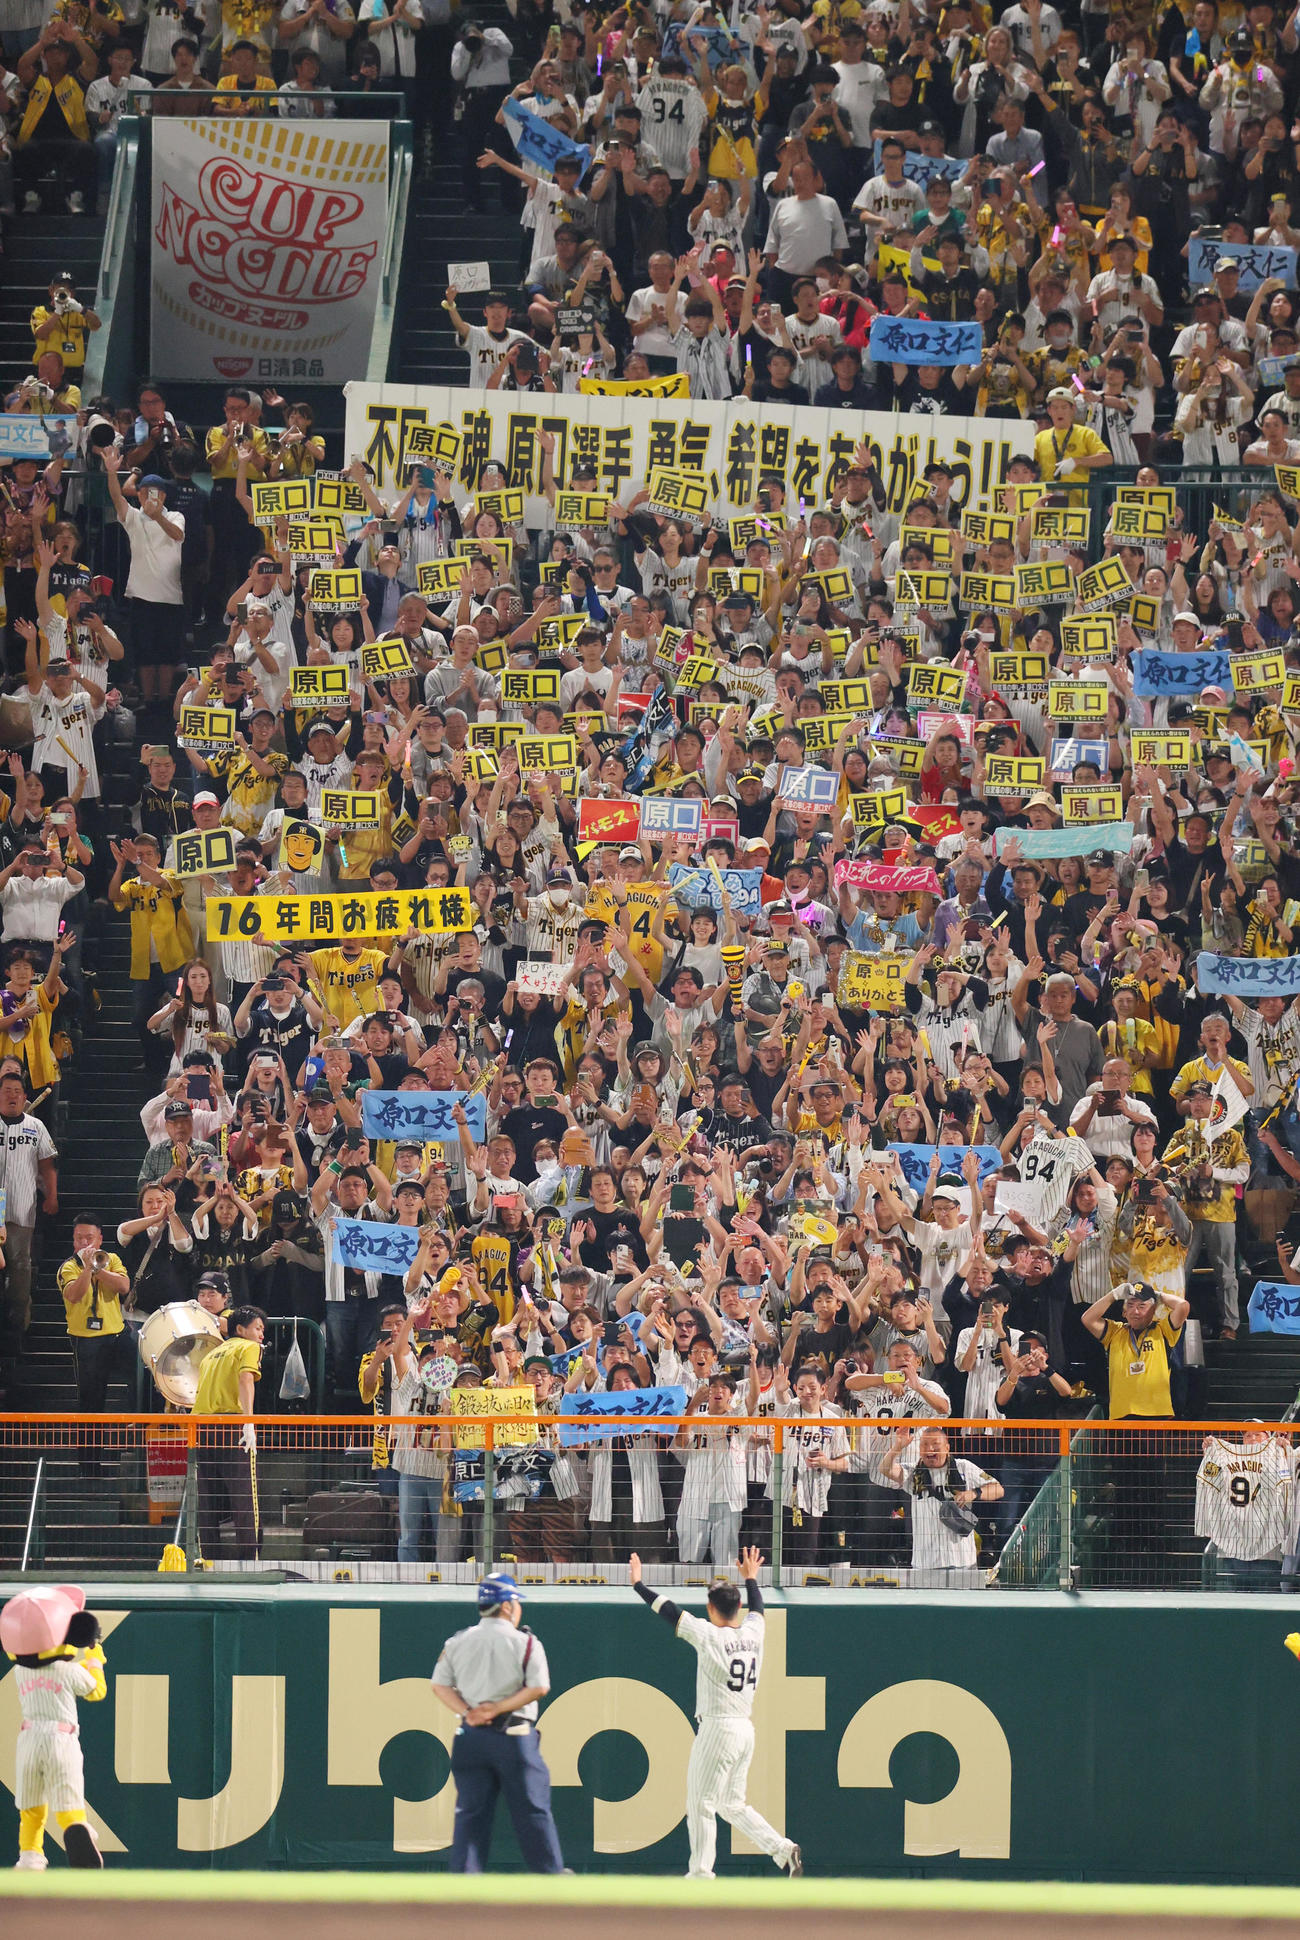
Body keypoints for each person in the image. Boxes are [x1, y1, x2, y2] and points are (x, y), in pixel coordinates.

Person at [628, 1546, 802, 1879]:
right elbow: (760, 1609)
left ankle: (700, 1877)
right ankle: (782, 1849)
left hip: (718, 1730)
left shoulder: (708, 1634)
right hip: (744, 1731)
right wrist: (751, 1579)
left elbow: (670, 1612)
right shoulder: (753, 1632)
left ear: (710, 1608)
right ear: (739, 1607)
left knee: (701, 1805)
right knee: (730, 1805)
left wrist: (638, 1585)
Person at [430, 1570, 566, 1874]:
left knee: (469, 1814)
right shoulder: (526, 1643)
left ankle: (464, 1886)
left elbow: (439, 1685)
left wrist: (470, 1712)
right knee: (533, 1811)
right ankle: (550, 1878)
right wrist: (497, 1709)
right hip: (514, 1737)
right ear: (506, 1605)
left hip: (470, 1737)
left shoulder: (457, 1641)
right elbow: (539, 1687)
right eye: (517, 1602)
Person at [0, 1583, 106, 1870]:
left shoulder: (20, 1671)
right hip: (61, 1738)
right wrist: (94, 1659)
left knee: (31, 1804)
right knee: (68, 1798)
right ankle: (78, 1826)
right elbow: (96, 1691)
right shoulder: (68, 1670)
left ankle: (30, 1857)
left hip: (29, 1738)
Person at [191, 1303, 266, 1564]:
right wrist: (249, 1422)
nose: (261, 1335)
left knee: (207, 1499)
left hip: (200, 1428)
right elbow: (246, 1379)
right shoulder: (249, 1347)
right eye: (257, 1328)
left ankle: (207, 1559)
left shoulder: (212, 1353)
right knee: (244, 1496)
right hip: (232, 1426)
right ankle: (250, 1561)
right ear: (240, 1329)